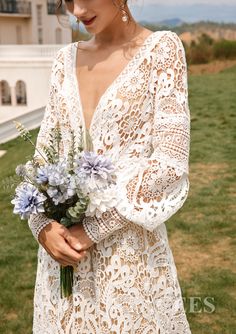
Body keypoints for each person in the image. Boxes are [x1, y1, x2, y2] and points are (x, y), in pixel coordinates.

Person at [28, 0, 192, 333]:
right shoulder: (63, 61)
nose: (76, 11)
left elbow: (170, 164)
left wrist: (91, 230)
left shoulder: (161, 51)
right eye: (67, 0)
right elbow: (43, 158)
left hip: (129, 260)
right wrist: (41, 225)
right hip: (61, 264)